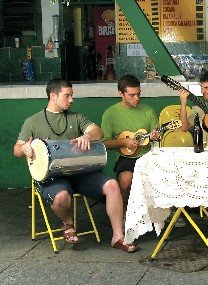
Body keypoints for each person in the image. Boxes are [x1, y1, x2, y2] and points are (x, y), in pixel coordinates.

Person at [13, 78, 137, 253]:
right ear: (53, 96)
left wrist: (87, 137)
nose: (71, 99)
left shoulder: (77, 117)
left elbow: (98, 132)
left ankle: (118, 237)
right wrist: (25, 148)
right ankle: (68, 223)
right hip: (51, 177)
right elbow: (16, 150)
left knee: (112, 185)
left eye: (72, 95)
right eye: (67, 95)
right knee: (62, 197)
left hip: (80, 172)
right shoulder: (33, 121)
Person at [101, 74, 159, 211]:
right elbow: (104, 143)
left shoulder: (148, 110)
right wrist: (123, 142)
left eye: (138, 94)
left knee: (162, 176)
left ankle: (163, 213)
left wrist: (156, 136)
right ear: (121, 93)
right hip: (125, 157)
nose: (137, 98)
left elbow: (156, 133)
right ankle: (126, 212)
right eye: (132, 95)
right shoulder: (110, 113)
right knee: (126, 180)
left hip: (148, 154)